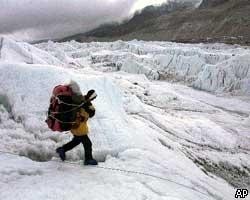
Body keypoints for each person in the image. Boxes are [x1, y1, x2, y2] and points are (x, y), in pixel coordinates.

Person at [56, 80, 98, 165]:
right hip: (79, 127)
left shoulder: (80, 100)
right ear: (91, 97)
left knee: (76, 141)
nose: (94, 99)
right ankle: (88, 159)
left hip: (75, 126)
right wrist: (90, 109)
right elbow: (91, 114)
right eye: (94, 97)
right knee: (88, 144)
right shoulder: (85, 103)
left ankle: (62, 149)